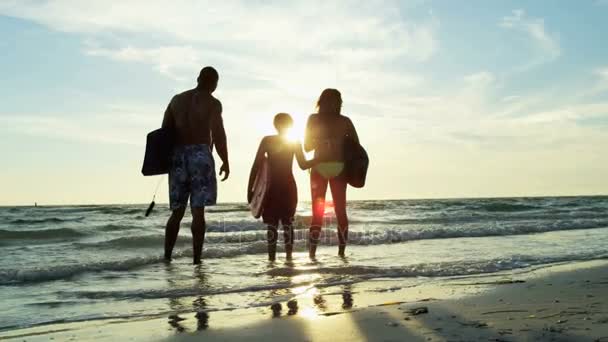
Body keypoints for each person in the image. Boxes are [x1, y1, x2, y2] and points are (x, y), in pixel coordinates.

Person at [162, 66, 229, 264]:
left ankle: (167, 257)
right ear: (214, 84)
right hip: (200, 154)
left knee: (177, 212)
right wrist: (225, 160)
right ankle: (196, 260)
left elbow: (165, 131)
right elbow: (218, 133)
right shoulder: (213, 103)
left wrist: (167, 160)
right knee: (198, 211)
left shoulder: (176, 100)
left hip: (178, 155)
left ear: (198, 78)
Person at [248, 113, 316, 261]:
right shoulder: (293, 141)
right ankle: (289, 258)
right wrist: (318, 159)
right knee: (287, 224)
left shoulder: (268, 140)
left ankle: (272, 259)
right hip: (287, 187)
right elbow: (304, 165)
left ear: (276, 125)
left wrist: (250, 188)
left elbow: (256, 165)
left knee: (273, 225)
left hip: (272, 188)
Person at [304, 89, 359, 258]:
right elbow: (307, 147)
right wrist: (321, 138)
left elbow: (356, 147)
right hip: (319, 168)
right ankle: (312, 253)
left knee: (340, 211)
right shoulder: (313, 119)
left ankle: (341, 253)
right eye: (332, 101)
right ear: (323, 101)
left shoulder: (345, 121)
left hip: (339, 170)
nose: (335, 104)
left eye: (337, 101)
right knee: (317, 214)